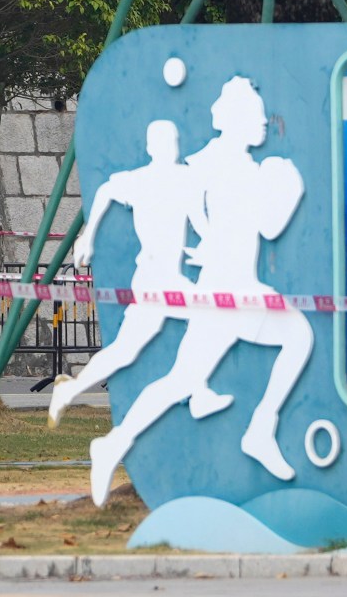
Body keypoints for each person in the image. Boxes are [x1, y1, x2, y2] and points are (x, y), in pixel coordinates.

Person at [89, 76, 313, 504]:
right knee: (292, 336)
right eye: (256, 115)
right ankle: (260, 429)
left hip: (236, 291)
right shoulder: (209, 164)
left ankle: (116, 443)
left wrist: (284, 187)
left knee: (183, 379)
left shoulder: (247, 168)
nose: (265, 122)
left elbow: (263, 225)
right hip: (225, 294)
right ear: (235, 120)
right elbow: (194, 209)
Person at [50, 120, 222, 424]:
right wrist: (87, 236)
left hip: (169, 278)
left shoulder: (186, 180)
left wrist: (212, 248)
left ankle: (193, 389)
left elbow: (201, 223)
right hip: (152, 278)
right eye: (164, 142)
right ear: (152, 147)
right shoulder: (141, 180)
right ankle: (193, 389)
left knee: (135, 347)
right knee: (135, 347)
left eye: (173, 141)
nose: (171, 148)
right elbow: (105, 191)